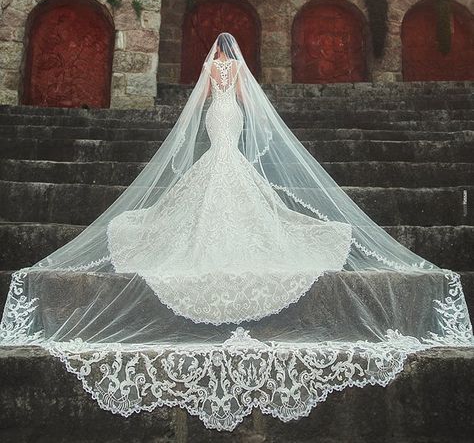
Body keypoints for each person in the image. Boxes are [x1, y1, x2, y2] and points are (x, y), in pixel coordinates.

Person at [1, 32, 472, 432]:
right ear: (232, 55)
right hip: (229, 125)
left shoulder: (211, 70)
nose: (222, 60)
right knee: (229, 180)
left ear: (216, 55)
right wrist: (234, 88)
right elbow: (246, 106)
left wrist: (218, 83)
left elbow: (203, 104)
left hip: (218, 123)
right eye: (224, 57)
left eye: (221, 57)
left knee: (219, 180)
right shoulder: (235, 72)